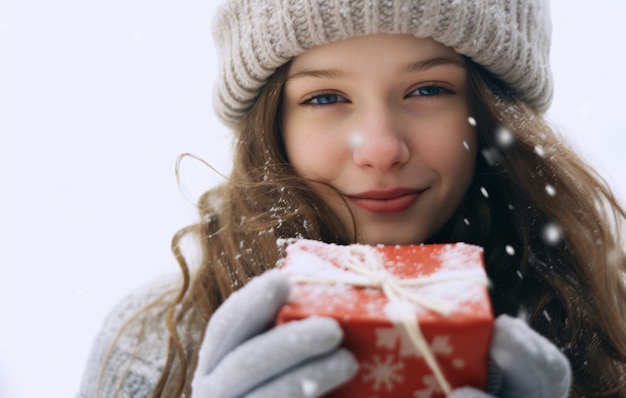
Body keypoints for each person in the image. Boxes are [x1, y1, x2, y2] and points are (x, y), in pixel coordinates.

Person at [78, 0, 626, 397]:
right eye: (325, 97)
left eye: (429, 90)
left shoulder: (607, 325)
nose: (380, 149)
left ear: (493, 112)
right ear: (273, 126)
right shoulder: (156, 341)